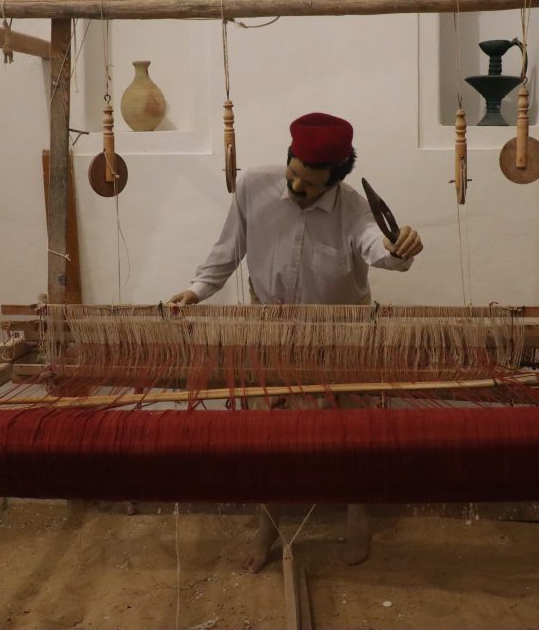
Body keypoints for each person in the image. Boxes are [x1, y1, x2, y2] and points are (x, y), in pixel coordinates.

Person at [169, 112, 424, 572]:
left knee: (352, 435)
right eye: (293, 175)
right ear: (288, 158)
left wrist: (399, 249)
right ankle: (267, 523)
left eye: (309, 185)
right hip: (271, 330)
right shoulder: (253, 185)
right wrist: (196, 291)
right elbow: (227, 251)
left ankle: (357, 516)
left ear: (335, 179)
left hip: (341, 336)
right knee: (267, 436)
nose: (296, 188)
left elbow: (378, 248)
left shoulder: (353, 208)